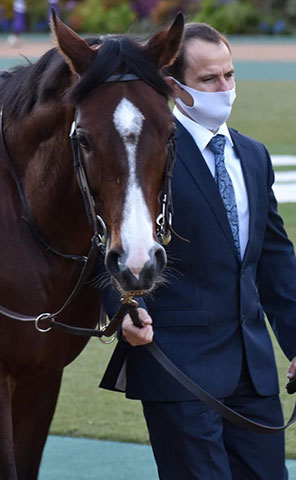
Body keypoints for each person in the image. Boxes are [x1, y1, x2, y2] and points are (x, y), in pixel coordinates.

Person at [99, 22, 296, 479]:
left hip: (255, 373)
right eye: (209, 79)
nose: (224, 88)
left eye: (229, 75)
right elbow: (103, 246)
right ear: (174, 87)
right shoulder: (147, 154)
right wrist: (125, 308)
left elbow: (274, 260)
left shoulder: (253, 155)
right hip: (178, 369)